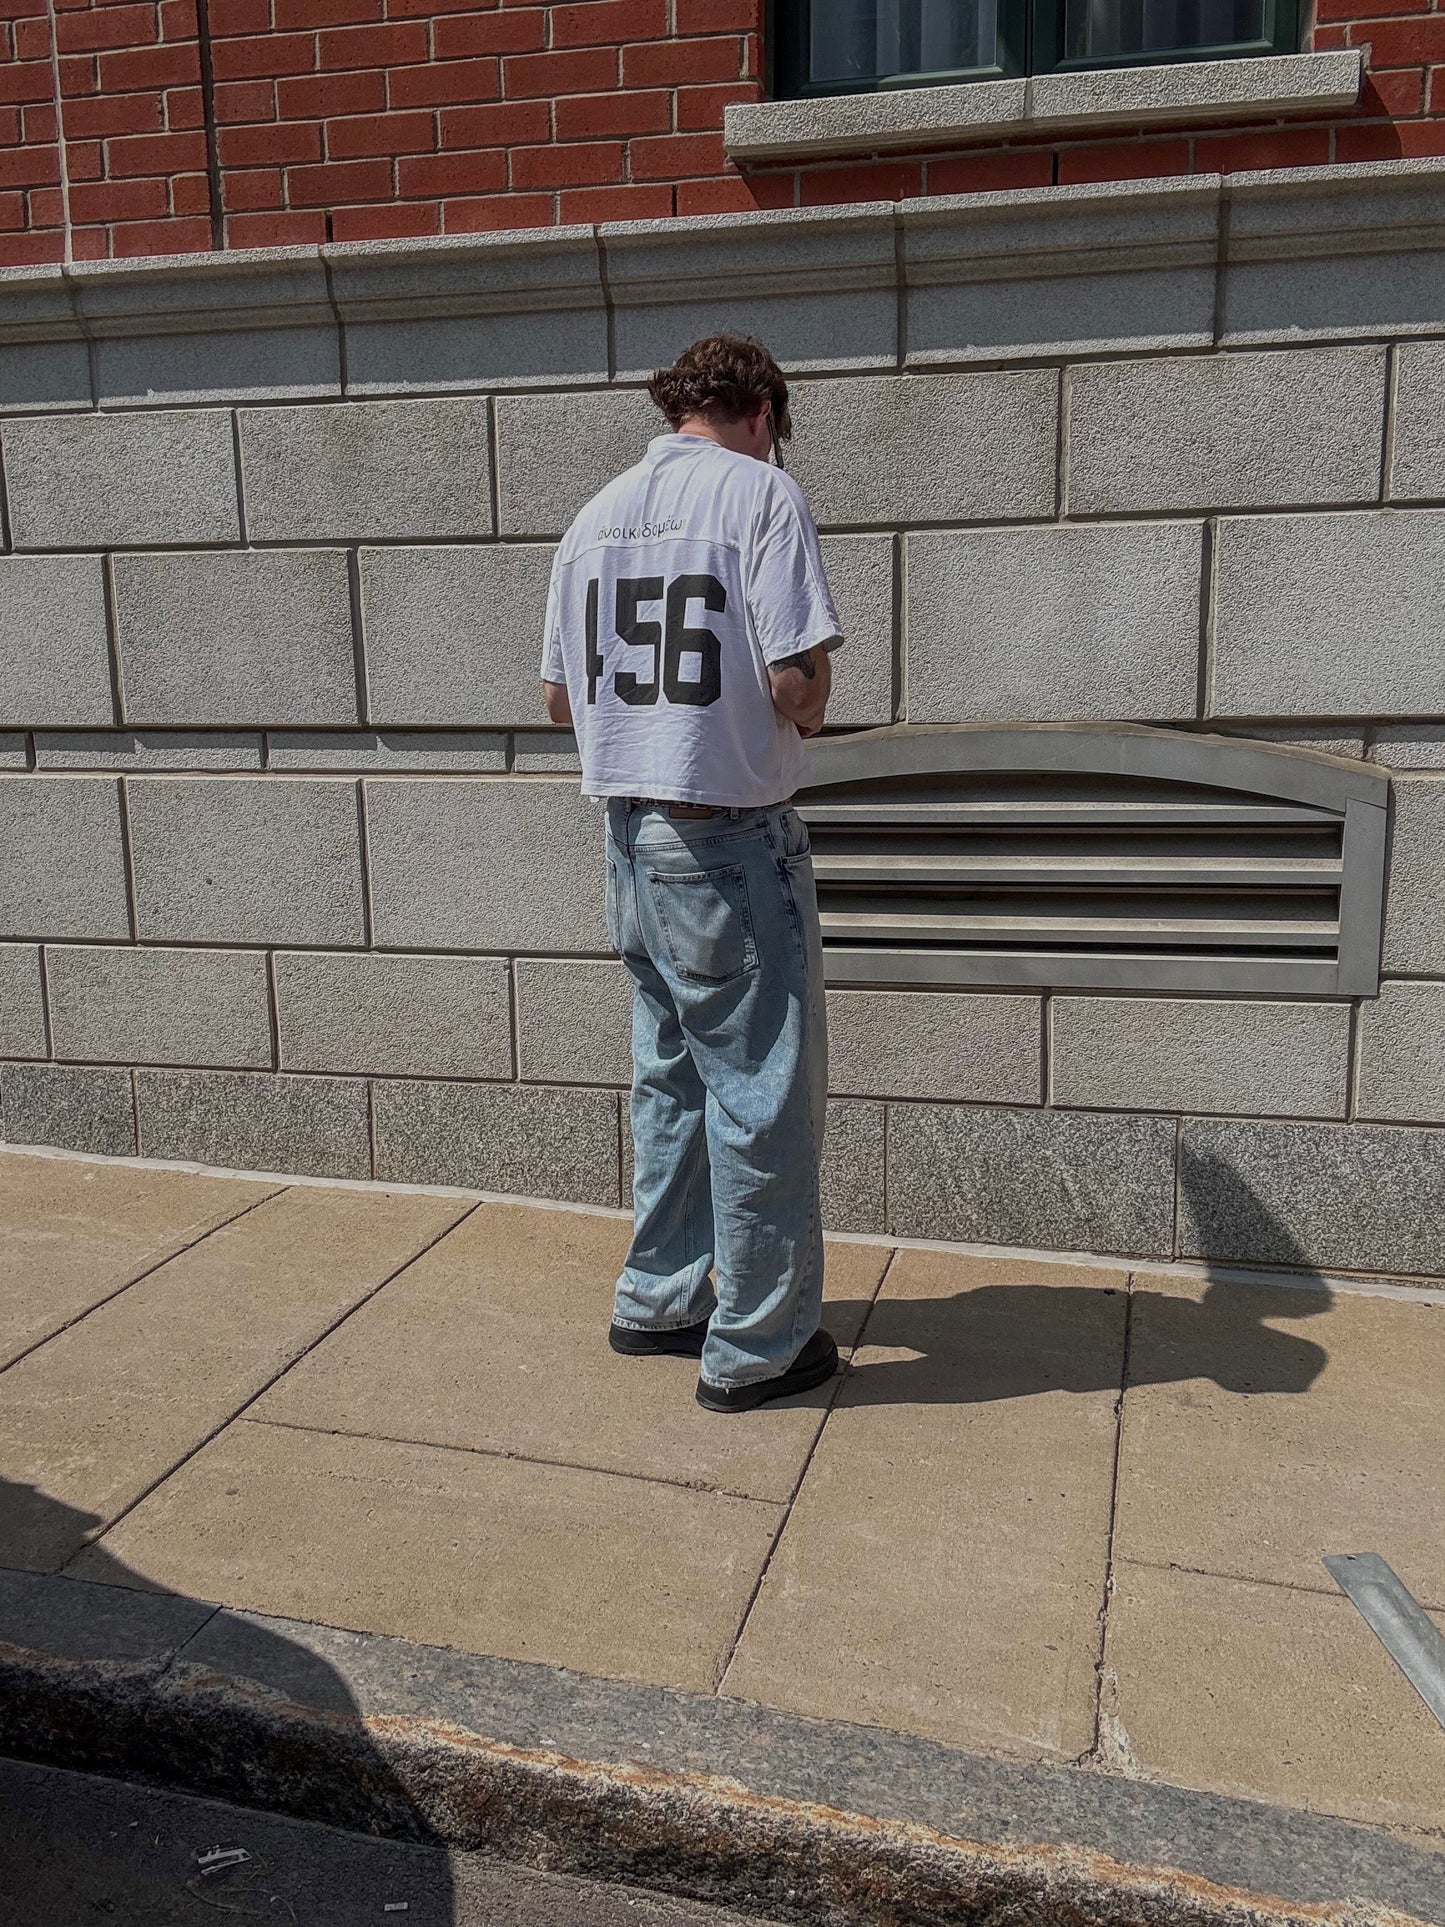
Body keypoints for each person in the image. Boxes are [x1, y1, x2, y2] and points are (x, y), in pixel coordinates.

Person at [539, 333, 843, 1415]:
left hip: (628, 834)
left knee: (668, 1075)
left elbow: (559, 701)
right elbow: (792, 678)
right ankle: (758, 1343)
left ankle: (659, 1296)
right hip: (725, 837)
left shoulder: (593, 515)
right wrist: (806, 700)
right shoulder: (762, 497)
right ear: (759, 409)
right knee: (759, 1090)